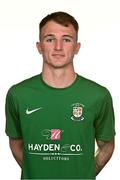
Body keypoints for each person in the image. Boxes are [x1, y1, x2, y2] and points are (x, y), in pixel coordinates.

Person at [5, 11, 115, 180]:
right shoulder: (18, 94)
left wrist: (85, 173)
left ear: (76, 47)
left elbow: (106, 145)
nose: (58, 47)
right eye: (50, 39)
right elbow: (16, 142)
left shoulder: (98, 95)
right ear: (39, 46)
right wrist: (38, 172)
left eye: (66, 39)